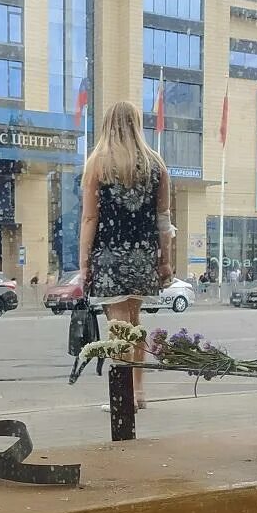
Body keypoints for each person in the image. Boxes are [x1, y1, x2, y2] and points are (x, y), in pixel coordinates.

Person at [78, 100, 174, 410]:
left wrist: (84, 263)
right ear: (137, 124)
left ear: (107, 125)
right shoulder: (156, 164)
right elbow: (163, 219)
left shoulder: (98, 163)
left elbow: (90, 218)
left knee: (119, 325)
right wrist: (165, 260)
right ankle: (139, 392)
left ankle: (123, 398)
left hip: (109, 255)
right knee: (134, 322)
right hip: (143, 256)